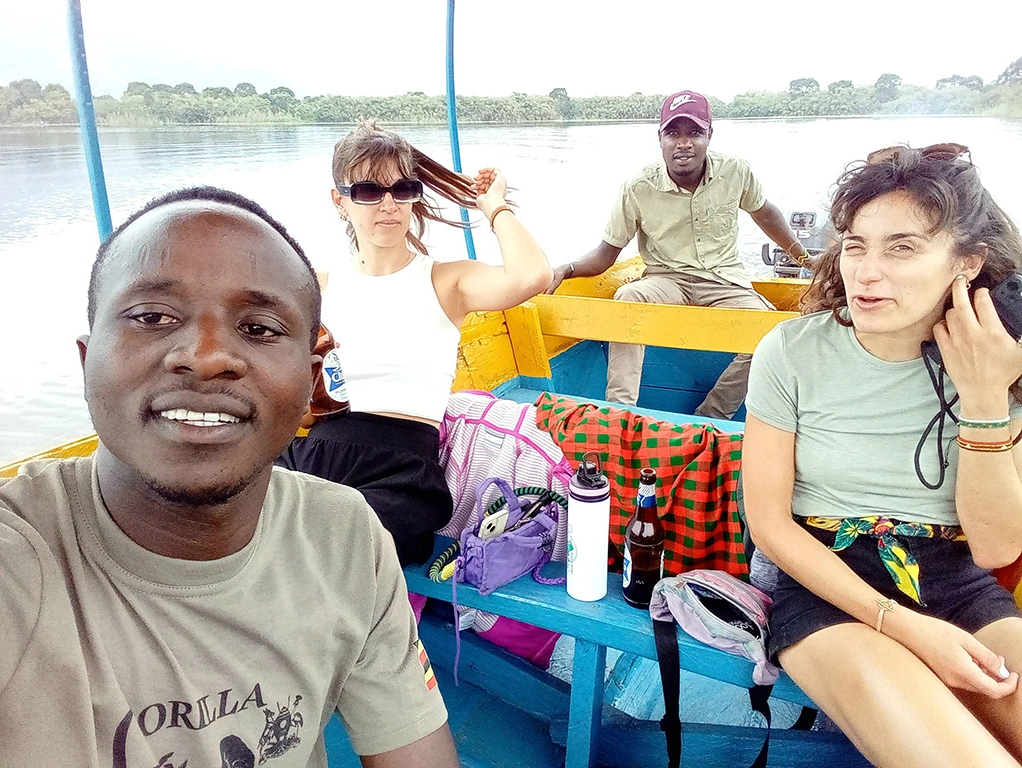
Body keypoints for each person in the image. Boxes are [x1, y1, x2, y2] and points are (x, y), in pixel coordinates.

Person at [0, 187, 458, 768]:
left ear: (313, 386)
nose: (207, 355)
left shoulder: (343, 536)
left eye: (260, 328)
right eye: (152, 317)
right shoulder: (19, 563)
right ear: (88, 361)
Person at [743, 144, 1022, 766]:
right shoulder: (792, 351)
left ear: (967, 263)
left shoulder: (1001, 359)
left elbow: (998, 549)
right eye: (854, 245)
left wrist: (983, 395)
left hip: (955, 577)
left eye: (902, 247)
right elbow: (767, 522)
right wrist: (905, 628)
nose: (866, 272)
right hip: (825, 574)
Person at [278, 120, 552, 567]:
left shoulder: (446, 281)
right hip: (318, 453)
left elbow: (532, 276)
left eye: (402, 189)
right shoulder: (317, 287)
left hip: (401, 471)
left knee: (330, 544)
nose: (387, 204)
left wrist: (494, 207)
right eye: (367, 191)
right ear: (340, 202)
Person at [546, 90, 808, 419]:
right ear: (660, 138)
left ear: (709, 135)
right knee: (628, 298)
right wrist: (566, 269)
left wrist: (804, 258)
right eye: (673, 133)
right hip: (667, 280)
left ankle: (712, 414)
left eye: (695, 133)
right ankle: (619, 413)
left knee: (772, 331)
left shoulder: (736, 172)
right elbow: (606, 253)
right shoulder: (639, 187)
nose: (683, 143)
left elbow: (765, 213)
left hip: (725, 280)